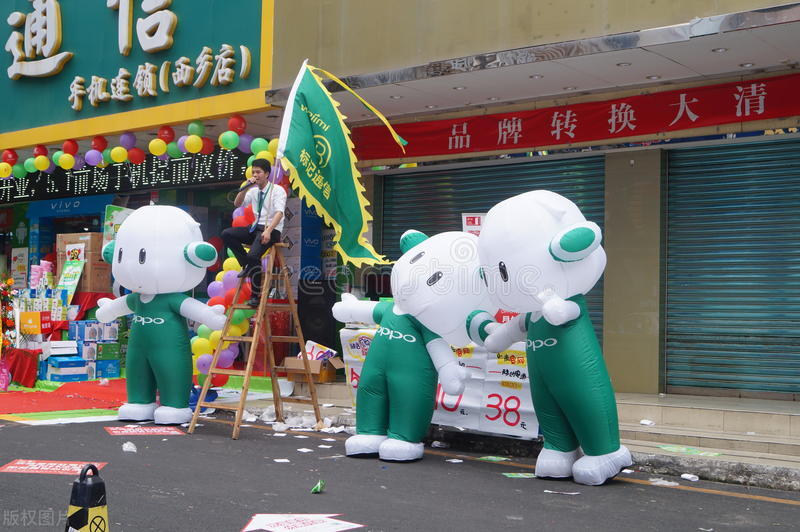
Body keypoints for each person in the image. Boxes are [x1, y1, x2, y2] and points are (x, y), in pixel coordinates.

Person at [221, 159, 287, 306]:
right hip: (255, 228)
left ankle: (255, 295)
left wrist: (268, 231)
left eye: (258, 172)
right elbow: (237, 203)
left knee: (253, 255)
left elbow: (279, 213)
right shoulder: (253, 191)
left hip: (272, 229)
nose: (255, 175)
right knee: (227, 234)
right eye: (253, 172)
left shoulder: (277, 190)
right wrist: (245, 187)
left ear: (267, 174)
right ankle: (246, 264)